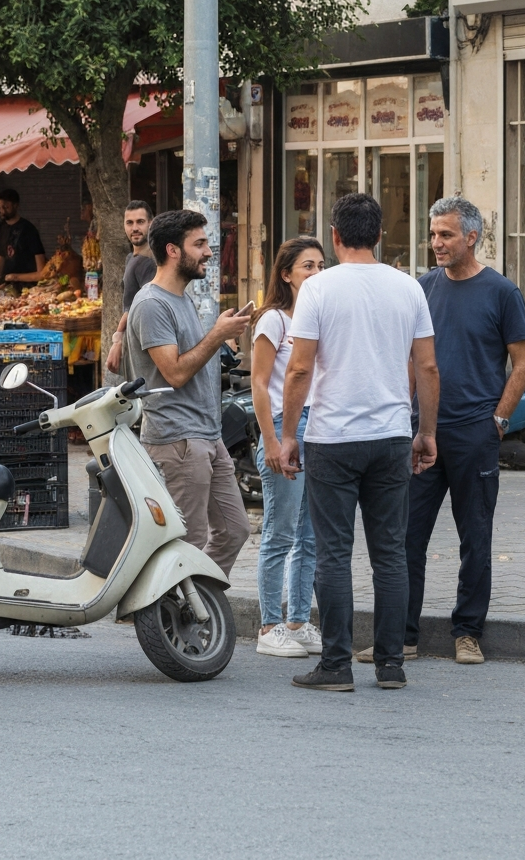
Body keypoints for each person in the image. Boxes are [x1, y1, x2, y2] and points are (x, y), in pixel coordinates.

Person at [354, 196, 525, 667]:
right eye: (433, 234)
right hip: (420, 434)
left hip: (475, 433)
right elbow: (410, 359)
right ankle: (401, 638)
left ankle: (468, 632)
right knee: (405, 539)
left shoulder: (501, 292)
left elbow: (523, 361)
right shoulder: (421, 288)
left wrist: (499, 419)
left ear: (471, 237)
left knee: (475, 537)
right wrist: (406, 418)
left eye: (446, 234)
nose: (436, 243)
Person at [281, 193, 440, 692]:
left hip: (332, 437)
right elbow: (428, 367)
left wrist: (289, 434)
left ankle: (336, 666)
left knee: (333, 554)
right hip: (392, 435)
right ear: (379, 234)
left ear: (334, 235)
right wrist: (426, 432)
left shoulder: (318, 288)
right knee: (390, 553)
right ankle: (391, 664)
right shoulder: (408, 287)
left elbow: (301, 367)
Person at [125, 209, 253, 577]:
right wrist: (216, 334)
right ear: (173, 250)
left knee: (234, 530)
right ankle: (169, 618)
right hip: (176, 440)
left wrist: (221, 337)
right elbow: (175, 372)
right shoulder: (152, 304)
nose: (209, 252)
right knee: (187, 540)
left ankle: (198, 602)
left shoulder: (182, 299)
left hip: (207, 436)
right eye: (199, 244)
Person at [250, 237, 326, 658]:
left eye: (320, 265)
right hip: (282, 426)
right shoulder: (274, 321)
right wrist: (273, 441)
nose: (316, 273)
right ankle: (268, 626)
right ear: (286, 274)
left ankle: (298, 620)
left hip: (318, 429)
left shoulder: (317, 320)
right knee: (279, 533)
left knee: (310, 534)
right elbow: (259, 385)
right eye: (307, 266)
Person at [106, 201, 157, 376]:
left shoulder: (149, 261)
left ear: (151, 223)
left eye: (140, 222)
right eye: (130, 223)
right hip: (133, 341)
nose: (135, 228)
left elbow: (140, 303)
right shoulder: (132, 258)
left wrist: (118, 338)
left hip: (144, 343)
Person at [0, 188, 46, 285]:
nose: (2, 211)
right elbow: (0, 256)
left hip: (27, 287)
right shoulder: (1, 228)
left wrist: (16, 277)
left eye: (6, 207)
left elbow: (41, 271)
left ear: (16, 206)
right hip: (5, 286)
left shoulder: (29, 229)